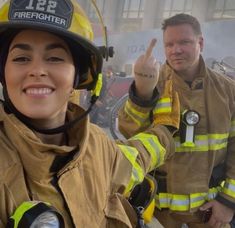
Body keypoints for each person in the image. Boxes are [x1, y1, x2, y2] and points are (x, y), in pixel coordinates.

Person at [0, 0, 180, 227]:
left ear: (80, 75)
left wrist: (162, 124)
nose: (37, 70)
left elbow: (136, 158)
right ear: (3, 72)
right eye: (21, 58)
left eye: (55, 58)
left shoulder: (97, 144)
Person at [118, 13, 235, 228]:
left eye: (184, 42)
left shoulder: (228, 90)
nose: (176, 50)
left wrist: (228, 202)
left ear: (200, 42)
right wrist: (142, 94)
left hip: (209, 211)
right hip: (158, 211)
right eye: (169, 44)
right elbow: (130, 133)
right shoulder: (153, 82)